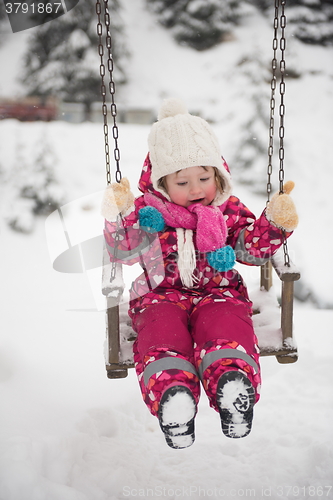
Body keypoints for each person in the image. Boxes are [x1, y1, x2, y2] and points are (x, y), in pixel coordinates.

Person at [102, 98, 298, 449]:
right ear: (161, 183)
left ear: (218, 174)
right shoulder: (148, 213)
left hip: (220, 292)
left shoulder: (228, 210)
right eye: (182, 182)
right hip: (158, 295)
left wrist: (274, 223)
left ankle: (232, 385)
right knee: (161, 334)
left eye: (204, 178)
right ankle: (172, 397)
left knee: (226, 325)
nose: (196, 189)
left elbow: (250, 250)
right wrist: (118, 216)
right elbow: (124, 249)